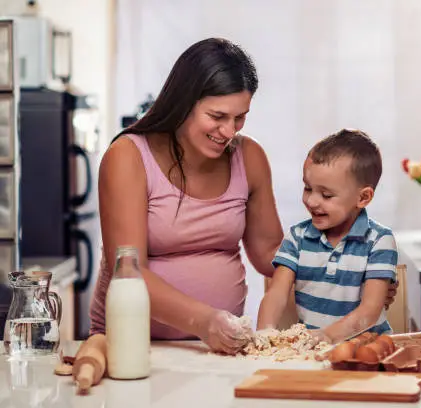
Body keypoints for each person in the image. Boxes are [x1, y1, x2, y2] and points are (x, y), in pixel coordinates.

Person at [90, 38, 397, 354]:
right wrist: (203, 321)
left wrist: (356, 274)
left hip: (217, 350)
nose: (228, 131)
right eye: (217, 116)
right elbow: (128, 272)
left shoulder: (248, 156)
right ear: (183, 102)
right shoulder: (127, 157)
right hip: (132, 345)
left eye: (240, 117)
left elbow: (270, 253)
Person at [257, 129, 398, 343]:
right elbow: (276, 294)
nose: (312, 201)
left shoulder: (379, 241)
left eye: (326, 195)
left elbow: (369, 311)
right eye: (307, 188)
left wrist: (327, 336)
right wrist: (264, 334)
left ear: (363, 197)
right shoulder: (297, 237)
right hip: (316, 351)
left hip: (367, 351)